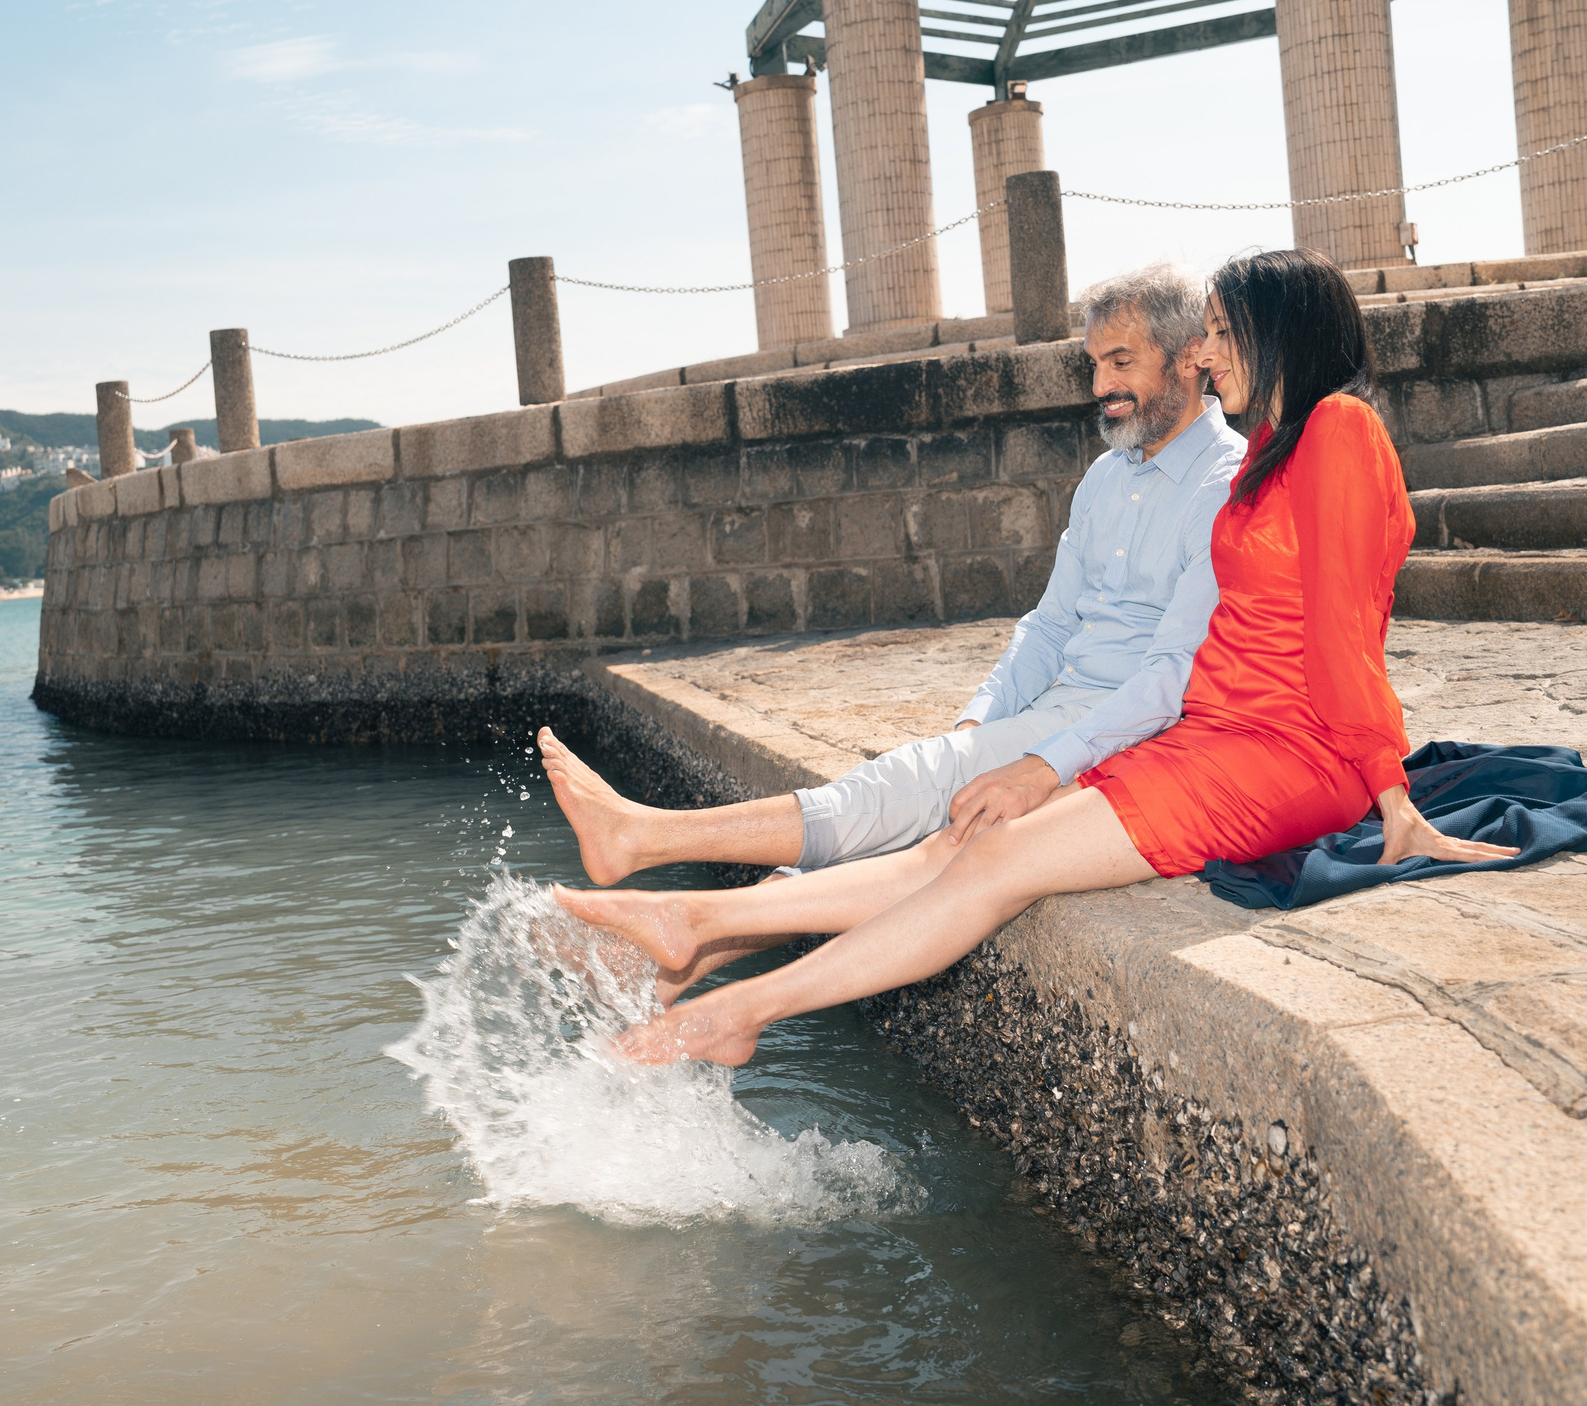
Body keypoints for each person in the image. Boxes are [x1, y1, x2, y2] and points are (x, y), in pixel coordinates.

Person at [560, 248, 1520, 1066]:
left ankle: (729, 993)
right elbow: (1079, 625)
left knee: (996, 855)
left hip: (1286, 750)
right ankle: (702, 940)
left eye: (1225, 333)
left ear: (1280, 333)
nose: (1209, 351)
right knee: (959, 842)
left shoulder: (1338, 431)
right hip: (1209, 735)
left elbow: (1345, 633)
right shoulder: (1274, 445)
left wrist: (1392, 795)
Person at [538, 263, 1248, 901]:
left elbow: (1170, 678)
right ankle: (682, 953)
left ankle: (647, 837)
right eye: (1093, 363)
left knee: (912, 785)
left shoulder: (1226, 485)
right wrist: (980, 722)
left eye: (1120, 361)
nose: (1098, 387)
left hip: (1130, 732)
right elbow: (1051, 624)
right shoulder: (1103, 478)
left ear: (1191, 357)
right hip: (1061, 709)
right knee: (910, 806)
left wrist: (1039, 761)